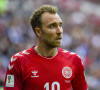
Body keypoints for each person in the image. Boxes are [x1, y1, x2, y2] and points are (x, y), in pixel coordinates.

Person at [4, 5, 88, 90]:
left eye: (60, 25)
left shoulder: (74, 60)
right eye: (52, 26)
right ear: (38, 32)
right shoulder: (18, 61)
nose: (59, 31)